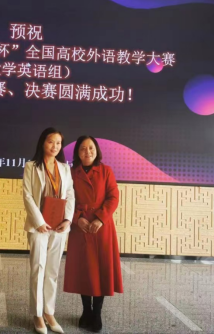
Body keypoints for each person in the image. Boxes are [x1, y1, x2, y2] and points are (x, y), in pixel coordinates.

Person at [64, 135, 123, 333]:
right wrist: (77, 217)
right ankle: (86, 311)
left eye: (91, 148)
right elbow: (65, 199)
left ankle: (97, 313)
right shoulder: (71, 173)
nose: (87, 152)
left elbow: (113, 197)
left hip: (101, 228)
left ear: (96, 150)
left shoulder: (106, 171)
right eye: (82, 148)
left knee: (101, 270)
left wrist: (100, 218)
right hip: (80, 227)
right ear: (77, 152)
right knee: (84, 270)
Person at [23, 127, 75, 334]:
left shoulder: (64, 168)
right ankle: (37, 315)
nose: (55, 146)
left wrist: (68, 219)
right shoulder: (31, 166)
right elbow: (27, 195)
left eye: (58, 143)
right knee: (38, 268)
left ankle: (49, 312)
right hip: (39, 226)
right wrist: (39, 221)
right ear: (43, 143)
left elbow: (70, 194)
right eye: (51, 141)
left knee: (53, 270)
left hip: (59, 225)